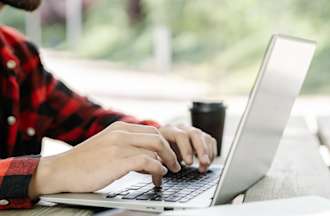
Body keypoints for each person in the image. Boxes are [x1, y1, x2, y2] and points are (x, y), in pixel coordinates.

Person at [0, 0, 217, 210]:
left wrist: (154, 135)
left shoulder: (18, 53)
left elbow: (88, 118)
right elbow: (63, 166)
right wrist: (52, 172)